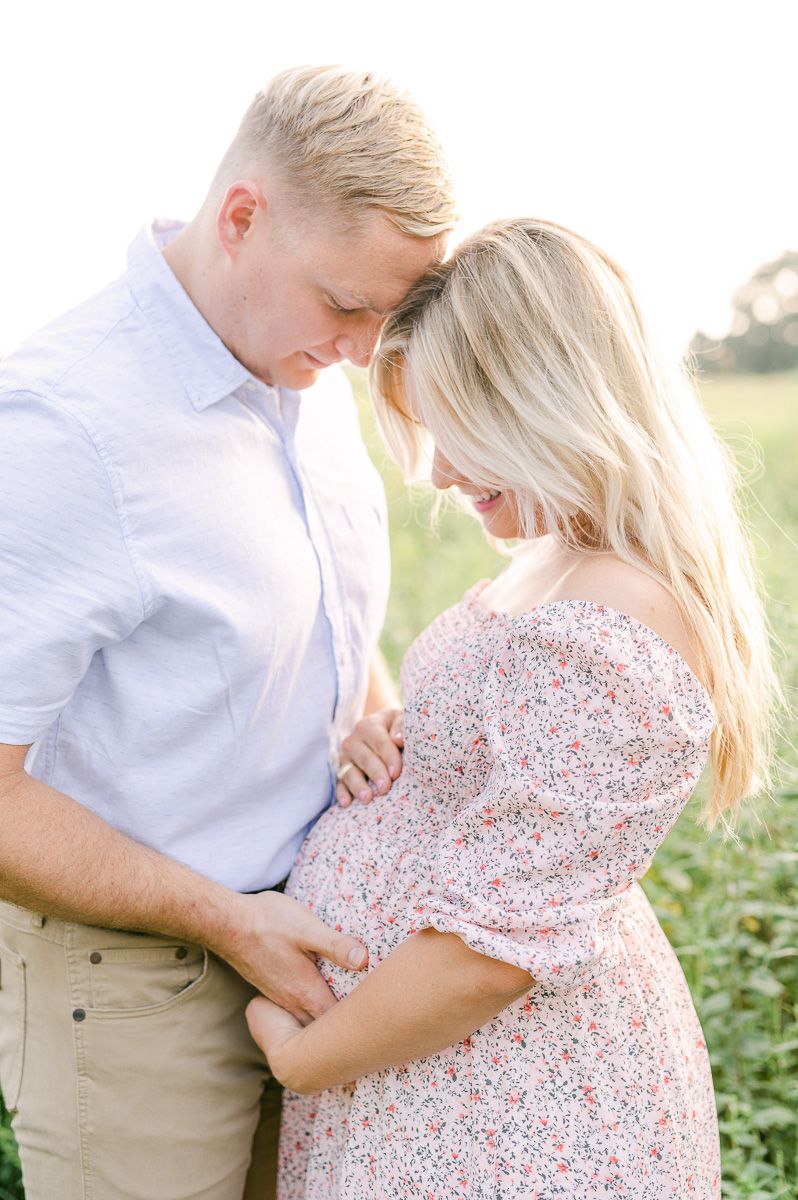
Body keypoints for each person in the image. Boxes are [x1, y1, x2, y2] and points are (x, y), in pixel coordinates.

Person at [246, 218, 779, 1198]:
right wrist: (398, 743)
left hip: (508, 1107)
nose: (438, 472)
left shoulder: (615, 620)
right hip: (446, 1081)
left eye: (459, 433)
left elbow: (492, 957)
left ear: (551, 404)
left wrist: (303, 1057)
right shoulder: (562, 557)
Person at [0, 65, 455, 1200]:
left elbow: (311, 629)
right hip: (137, 991)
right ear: (242, 218)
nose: (365, 350)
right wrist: (228, 920)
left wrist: (372, 718)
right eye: (345, 305)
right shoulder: (61, 427)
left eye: (386, 316)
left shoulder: (303, 368)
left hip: (312, 958)